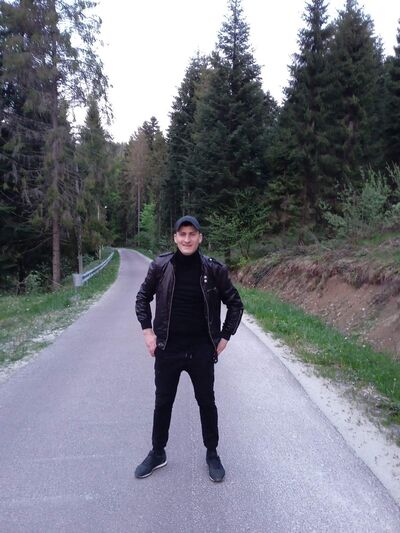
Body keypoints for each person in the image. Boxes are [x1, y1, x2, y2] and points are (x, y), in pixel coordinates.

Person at [135, 215, 243, 482]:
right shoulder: (160, 266)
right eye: (182, 234)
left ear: (200, 238)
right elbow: (142, 297)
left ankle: (212, 453)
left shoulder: (214, 270)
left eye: (192, 234)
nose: (187, 239)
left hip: (201, 350)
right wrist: (148, 332)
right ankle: (157, 452)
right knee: (163, 402)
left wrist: (224, 337)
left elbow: (235, 303)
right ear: (175, 238)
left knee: (206, 402)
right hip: (168, 348)